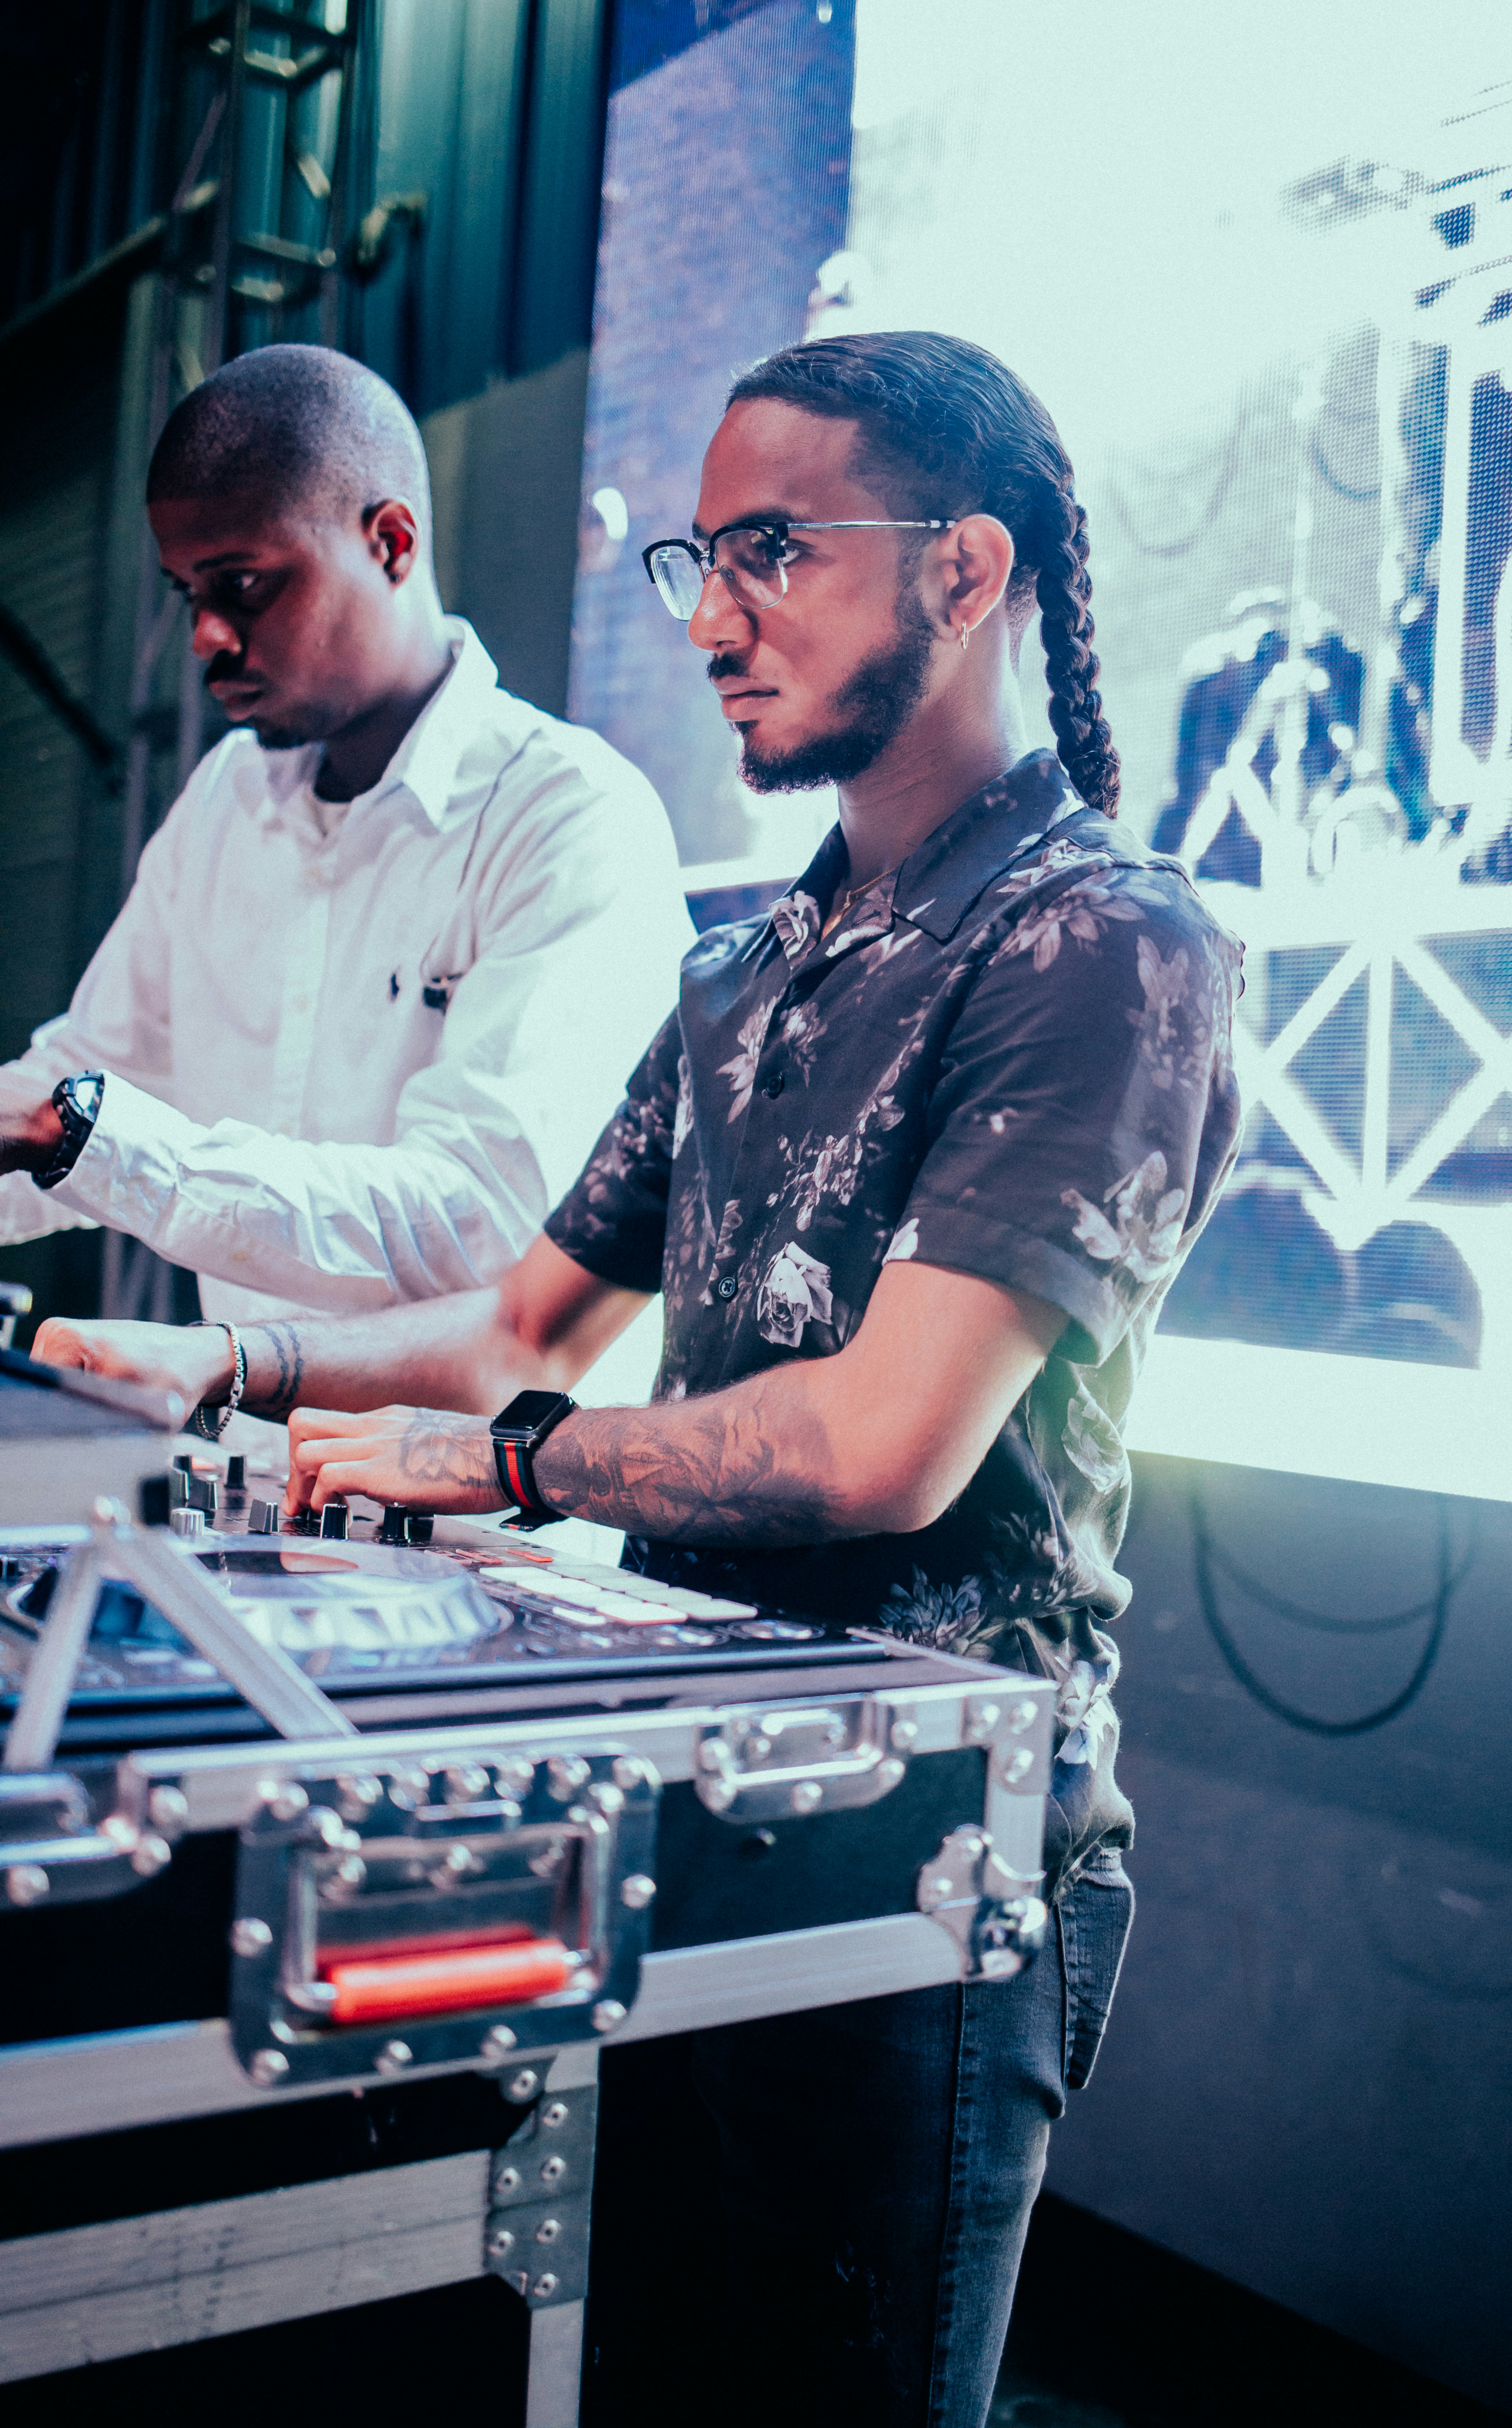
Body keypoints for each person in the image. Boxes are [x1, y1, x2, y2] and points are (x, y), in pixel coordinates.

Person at [39, 331, 1242, 2427]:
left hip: (927, 1852)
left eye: (770, 551)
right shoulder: (741, 971)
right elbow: (515, 1325)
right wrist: (216, 1367)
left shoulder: (1103, 945)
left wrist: (492, 1462)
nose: (707, 617)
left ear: (963, 574)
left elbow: (875, 1446)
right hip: (673, 1810)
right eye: (697, 559)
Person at [0, 343, 689, 1430]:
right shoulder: (227, 801)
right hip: (245, 1491)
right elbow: (83, 1082)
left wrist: (89, 1135)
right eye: (189, 594)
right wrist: (65, 1125)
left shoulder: (570, 817)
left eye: (244, 587)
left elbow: (482, 1226)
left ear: (390, 541)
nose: (207, 639)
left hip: (485, 1534)